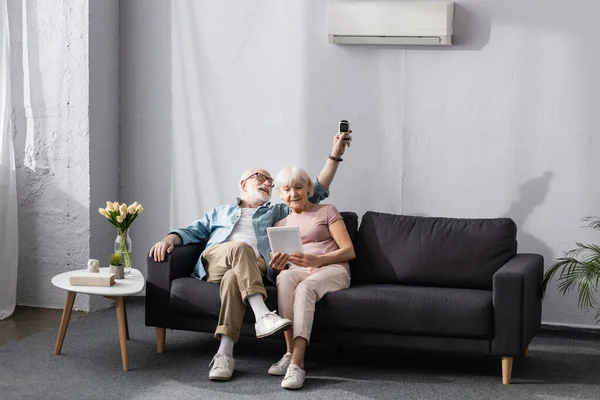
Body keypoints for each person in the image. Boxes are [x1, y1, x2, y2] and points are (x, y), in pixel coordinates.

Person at [148, 131, 352, 381]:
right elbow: (191, 231)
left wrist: (335, 155)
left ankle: (224, 354)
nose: (267, 183)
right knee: (240, 248)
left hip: (251, 269)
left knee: (236, 276)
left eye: (270, 181)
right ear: (243, 184)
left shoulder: (277, 210)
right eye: (261, 178)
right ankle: (263, 314)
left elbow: (315, 190)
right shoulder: (221, 212)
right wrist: (169, 239)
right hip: (217, 260)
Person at [268, 166, 355, 390]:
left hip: (332, 268)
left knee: (305, 288)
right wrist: (278, 265)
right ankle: (288, 352)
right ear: (280, 193)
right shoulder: (280, 225)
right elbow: (285, 264)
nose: (293, 194)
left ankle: (297, 363)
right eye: (286, 189)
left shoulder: (327, 211)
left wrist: (317, 260)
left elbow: (348, 251)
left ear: (308, 188)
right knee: (284, 279)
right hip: (299, 270)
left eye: (298, 187)